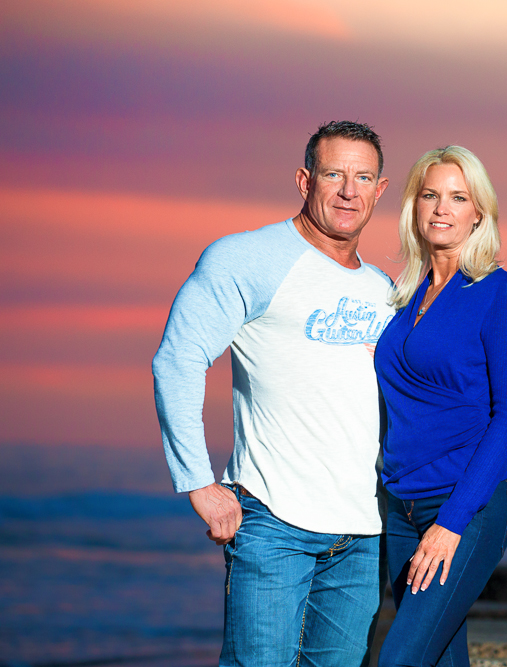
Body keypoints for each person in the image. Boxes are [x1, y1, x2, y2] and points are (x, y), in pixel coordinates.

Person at [152, 121, 394, 667]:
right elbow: (178, 359)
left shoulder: (382, 290)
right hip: (273, 524)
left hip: (360, 534)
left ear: (381, 191)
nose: (348, 191)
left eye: (363, 177)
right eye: (334, 174)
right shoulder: (247, 259)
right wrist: (197, 483)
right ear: (304, 180)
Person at [373, 146, 507, 667]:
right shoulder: (403, 299)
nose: (442, 208)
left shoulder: (499, 293)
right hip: (401, 506)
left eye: (457, 197)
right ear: (414, 207)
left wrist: (453, 521)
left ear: (477, 213)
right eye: (430, 195)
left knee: (400, 658)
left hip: (467, 505)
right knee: (442, 657)